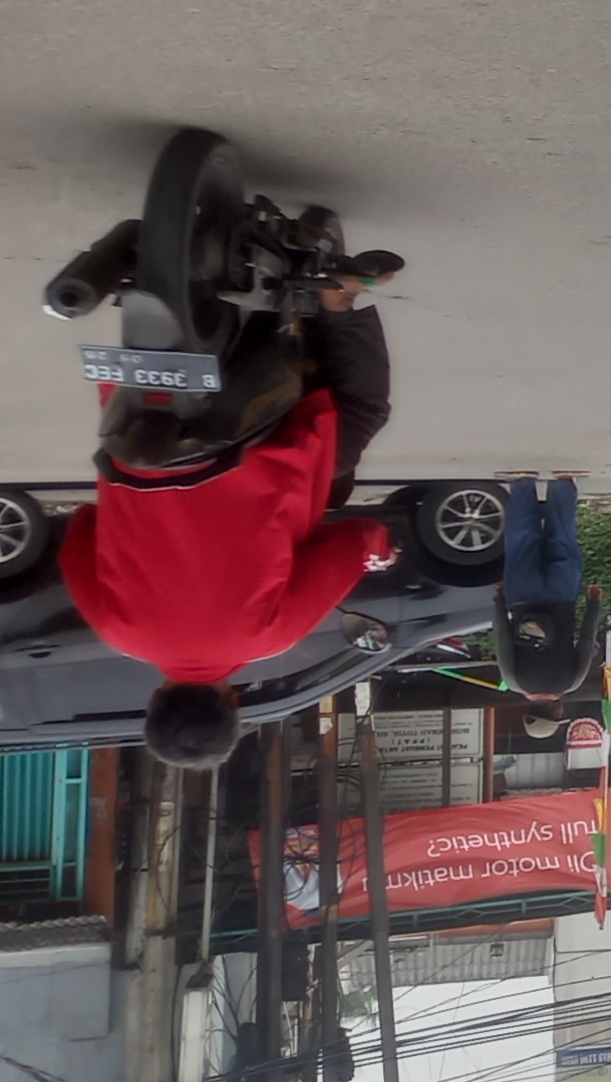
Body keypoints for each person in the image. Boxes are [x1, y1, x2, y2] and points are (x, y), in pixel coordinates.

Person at [65, 279, 399, 770]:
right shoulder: (118, 632)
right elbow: (80, 528)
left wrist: (380, 549)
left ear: (234, 703)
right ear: (155, 701)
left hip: (262, 455)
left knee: (363, 412)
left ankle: (338, 302)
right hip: (142, 440)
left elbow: (351, 542)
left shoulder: (270, 637)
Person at [498, 474, 592, 701]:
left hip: (562, 598)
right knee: (522, 542)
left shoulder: (572, 682)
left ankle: (563, 484)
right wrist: (498, 601)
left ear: (556, 710)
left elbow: (587, 639)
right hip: (522, 599)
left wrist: (595, 602)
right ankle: (522, 484)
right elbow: (502, 638)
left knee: (562, 538)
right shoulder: (514, 681)